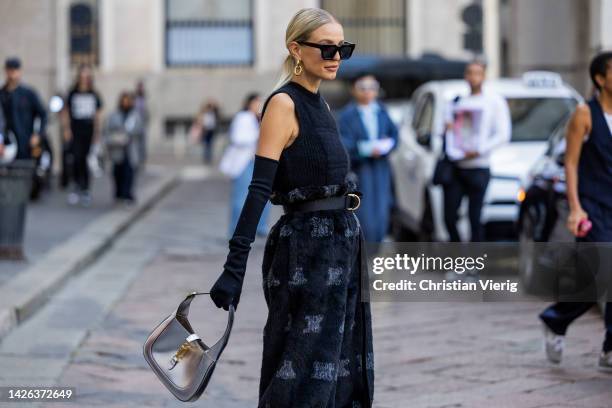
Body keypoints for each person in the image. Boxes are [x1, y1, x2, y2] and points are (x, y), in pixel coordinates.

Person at [209, 8, 374, 407]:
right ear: (296, 48)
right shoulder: (283, 104)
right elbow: (259, 188)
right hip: (306, 253)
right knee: (302, 367)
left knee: (342, 364)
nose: (336, 56)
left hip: (343, 246)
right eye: (327, 48)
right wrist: (234, 268)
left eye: (342, 48)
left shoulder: (324, 106)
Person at [539, 51, 612, 372]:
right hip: (593, 208)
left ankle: (556, 319)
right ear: (600, 79)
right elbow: (570, 164)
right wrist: (575, 208)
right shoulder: (585, 114)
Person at [442, 60, 511, 242]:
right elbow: (448, 132)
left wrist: (479, 150)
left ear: (484, 75)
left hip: (479, 167)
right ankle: (457, 260)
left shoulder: (494, 102)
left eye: (477, 73)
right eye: (470, 72)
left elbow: (503, 134)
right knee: (449, 216)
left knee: (475, 218)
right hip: (457, 165)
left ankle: (473, 264)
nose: (473, 77)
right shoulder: (457, 101)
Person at [338, 73, 399, 243]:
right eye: (362, 88)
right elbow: (344, 142)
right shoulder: (348, 115)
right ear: (354, 90)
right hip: (360, 169)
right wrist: (364, 148)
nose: (367, 92)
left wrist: (386, 145)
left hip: (381, 168)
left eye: (372, 88)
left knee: (382, 209)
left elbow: (394, 134)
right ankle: (363, 248)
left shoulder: (381, 111)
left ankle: (376, 247)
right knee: (363, 211)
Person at [219, 93, 271, 237]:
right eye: (257, 103)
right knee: (241, 198)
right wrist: (259, 134)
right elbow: (238, 138)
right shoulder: (243, 117)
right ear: (249, 103)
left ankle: (260, 226)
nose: (259, 106)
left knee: (264, 196)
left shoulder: (260, 118)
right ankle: (235, 229)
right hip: (244, 162)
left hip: (259, 161)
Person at [61, 64, 103, 206]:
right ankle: (76, 186)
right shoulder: (72, 93)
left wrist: (97, 133)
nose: (84, 78)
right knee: (75, 158)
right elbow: (66, 112)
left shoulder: (94, 94)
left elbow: (97, 115)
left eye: (87, 76)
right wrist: (66, 129)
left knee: (86, 159)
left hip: (88, 131)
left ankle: (85, 189)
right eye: (82, 75)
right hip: (75, 130)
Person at [0, 57, 47, 161]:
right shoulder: (2, 94)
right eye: (9, 70)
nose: (12, 74)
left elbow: (43, 114)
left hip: (26, 144)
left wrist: (38, 135)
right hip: (6, 146)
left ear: (19, 71)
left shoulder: (28, 94)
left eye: (15, 70)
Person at [103, 91, 144, 205]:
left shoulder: (135, 116)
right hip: (117, 150)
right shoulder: (114, 115)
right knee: (117, 173)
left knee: (129, 173)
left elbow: (140, 133)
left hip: (131, 150)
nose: (126, 103)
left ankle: (128, 194)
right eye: (124, 101)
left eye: (128, 101)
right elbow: (107, 132)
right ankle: (119, 194)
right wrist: (116, 139)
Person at [192, 100, 220, 164]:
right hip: (205, 130)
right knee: (206, 144)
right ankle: (206, 158)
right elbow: (200, 120)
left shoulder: (214, 113)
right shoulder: (204, 113)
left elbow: (218, 109)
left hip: (211, 130)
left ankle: (209, 158)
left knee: (210, 144)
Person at [134, 80, 149, 169]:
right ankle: (136, 160)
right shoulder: (134, 98)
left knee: (143, 144)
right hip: (136, 125)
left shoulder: (145, 98)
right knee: (136, 144)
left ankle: (142, 161)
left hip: (143, 124)